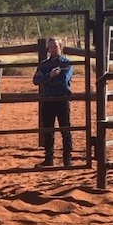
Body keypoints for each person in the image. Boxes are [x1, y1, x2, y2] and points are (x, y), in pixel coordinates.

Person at [32, 37, 73, 167]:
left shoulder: (66, 63)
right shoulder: (44, 64)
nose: (53, 49)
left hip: (61, 99)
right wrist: (50, 75)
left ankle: (67, 159)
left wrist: (45, 78)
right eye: (50, 47)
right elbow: (36, 80)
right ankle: (49, 159)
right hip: (48, 99)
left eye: (55, 46)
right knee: (48, 130)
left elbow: (63, 80)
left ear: (60, 47)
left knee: (65, 129)